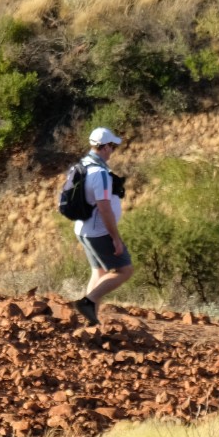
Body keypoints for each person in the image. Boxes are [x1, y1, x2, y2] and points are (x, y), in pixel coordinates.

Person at [73, 126, 133, 326]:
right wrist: (115, 237)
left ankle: (91, 321)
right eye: (112, 147)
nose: (113, 150)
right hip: (98, 231)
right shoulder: (99, 173)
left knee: (98, 272)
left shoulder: (82, 165)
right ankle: (87, 302)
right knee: (124, 270)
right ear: (105, 147)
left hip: (83, 229)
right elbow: (105, 208)